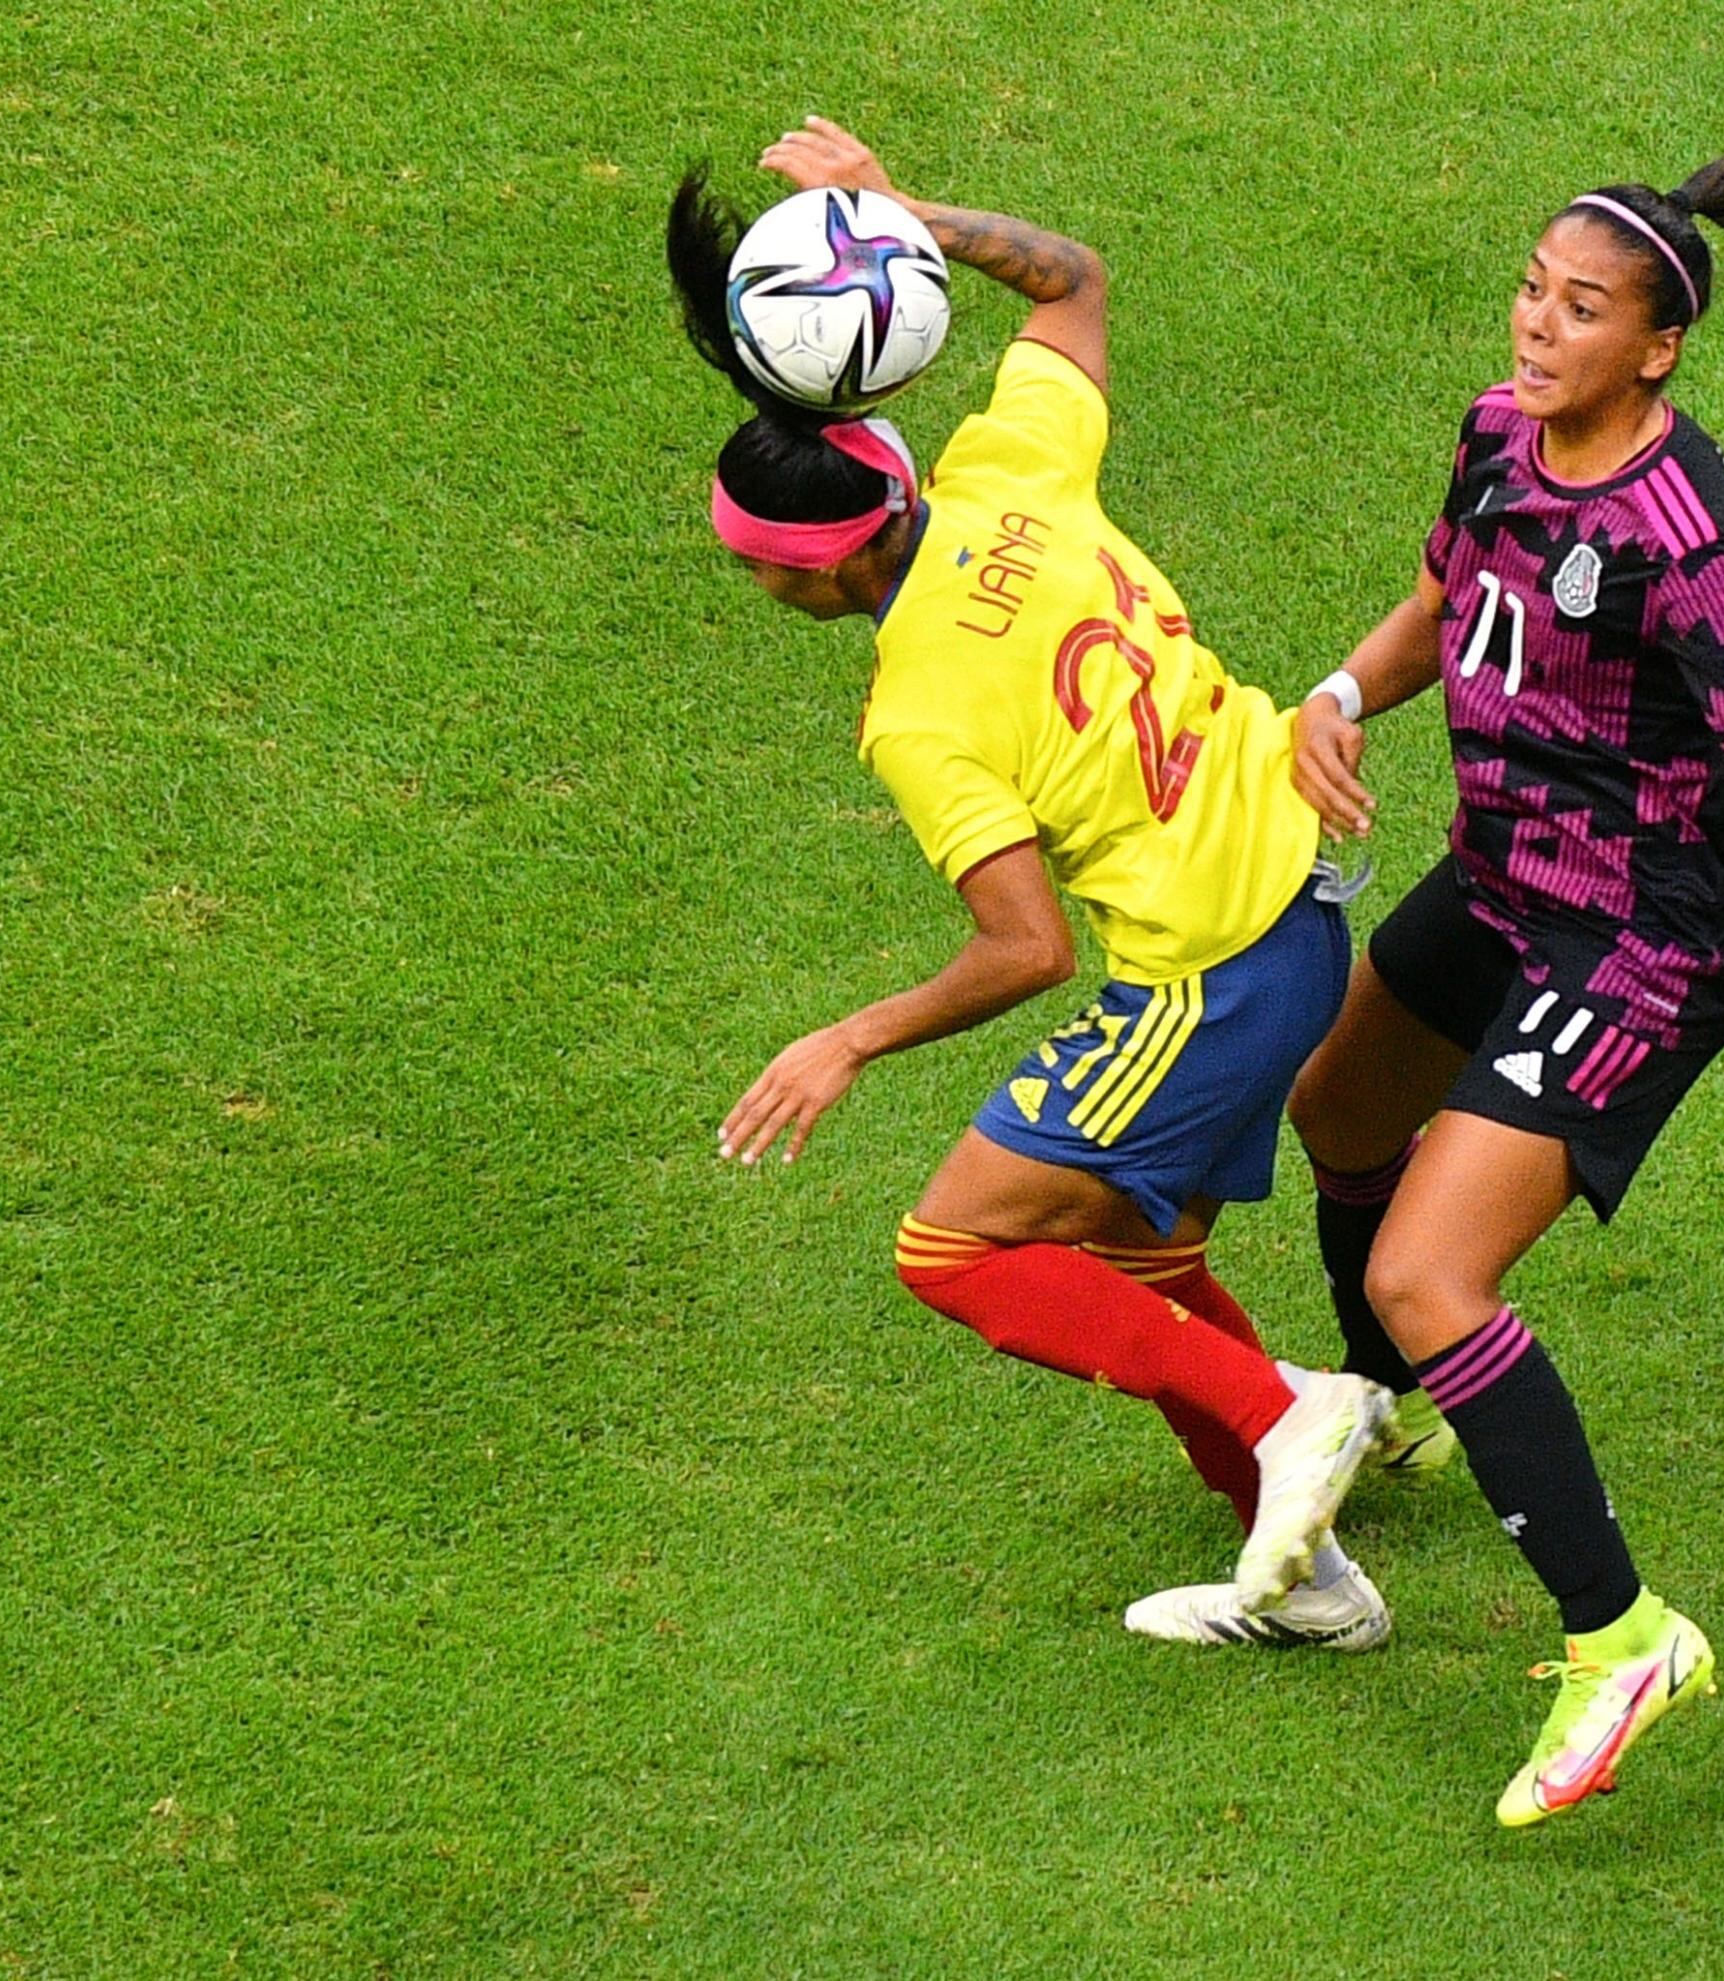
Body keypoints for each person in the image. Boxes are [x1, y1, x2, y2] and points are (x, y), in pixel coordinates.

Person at [1280, 69, 1724, 1824]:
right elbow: (1456, 588)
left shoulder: (1691, 541)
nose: (1538, 322)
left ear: (1659, 350)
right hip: (1511, 873)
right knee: (1339, 1104)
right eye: (1534, 287)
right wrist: (1341, 691)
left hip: (1647, 940)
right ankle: (1393, 1408)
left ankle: (1623, 1638)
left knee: (1428, 1268)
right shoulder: (1499, 434)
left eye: (1581, 309)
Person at [672, 120, 1390, 1645]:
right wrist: (901, 214)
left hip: (1210, 973)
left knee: (955, 1247)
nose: (752, 587)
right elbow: (1072, 285)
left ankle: (1296, 1416)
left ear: (816, 570)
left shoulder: (917, 713)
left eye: (753, 566)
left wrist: (847, 1037)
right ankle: (1312, 1557)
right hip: (1298, 899)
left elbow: (1025, 948)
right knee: (1144, 1254)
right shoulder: (1006, 472)